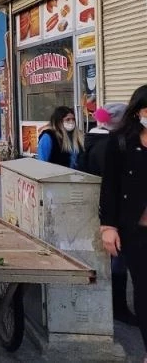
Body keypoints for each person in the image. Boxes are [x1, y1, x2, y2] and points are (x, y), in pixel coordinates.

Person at [78, 102, 136, 325]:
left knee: (110, 260)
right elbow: (115, 184)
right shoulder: (111, 145)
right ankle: (118, 307)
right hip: (113, 212)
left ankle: (112, 304)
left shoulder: (91, 141)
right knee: (117, 261)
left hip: (95, 207)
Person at [99, 84, 147, 355]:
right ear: (138, 111)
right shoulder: (121, 143)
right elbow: (110, 188)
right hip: (136, 231)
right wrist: (108, 226)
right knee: (144, 291)